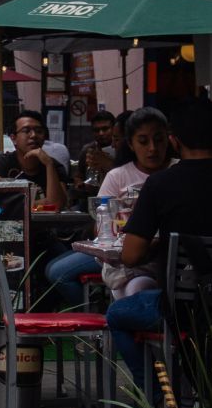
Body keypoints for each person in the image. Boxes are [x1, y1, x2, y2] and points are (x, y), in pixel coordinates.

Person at [109, 100, 212, 382]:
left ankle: (159, 398)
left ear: (174, 141)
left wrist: (162, 246)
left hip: (182, 310)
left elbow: (130, 256)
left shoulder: (160, 184)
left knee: (116, 314)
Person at [44, 107, 172, 309]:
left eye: (159, 140)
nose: (152, 149)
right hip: (125, 258)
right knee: (57, 271)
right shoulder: (118, 176)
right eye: (143, 141)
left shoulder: (179, 172)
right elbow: (101, 225)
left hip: (171, 260)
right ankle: (98, 314)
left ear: (169, 139)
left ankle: (107, 317)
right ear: (131, 143)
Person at [0, 110, 68, 208]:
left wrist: (49, 165)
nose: (34, 135)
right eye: (26, 131)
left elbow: (56, 205)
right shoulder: (3, 161)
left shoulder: (53, 165)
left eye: (39, 131)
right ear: (13, 138)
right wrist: (41, 203)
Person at [81, 111, 118, 189]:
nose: (101, 133)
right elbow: (79, 176)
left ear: (114, 128)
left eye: (105, 129)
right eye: (96, 130)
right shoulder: (88, 150)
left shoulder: (121, 148)